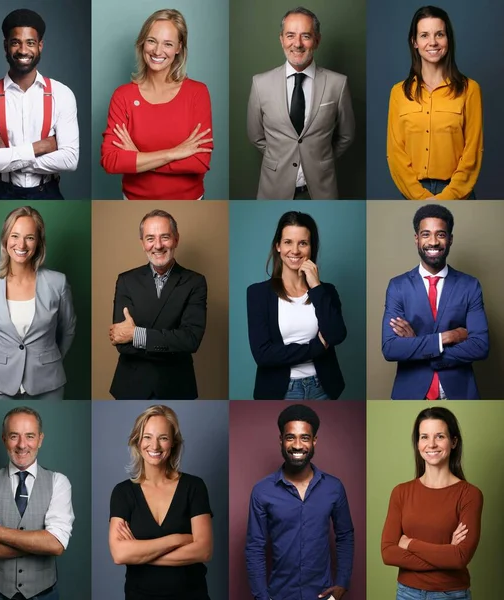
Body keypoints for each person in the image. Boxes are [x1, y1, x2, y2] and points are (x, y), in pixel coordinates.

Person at [100, 9, 213, 200]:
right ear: (142, 42)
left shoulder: (197, 93)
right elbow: (111, 161)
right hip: (134, 201)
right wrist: (174, 153)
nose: (157, 51)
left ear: (178, 48)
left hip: (189, 201)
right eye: (152, 41)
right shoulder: (123, 96)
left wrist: (138, 157)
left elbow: (199, 162)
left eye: (168, 44)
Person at [246, 404, 354, 600]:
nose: (297, 445)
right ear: (281, 440)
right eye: (290, 437)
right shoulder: (262, 491)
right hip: (279, 594)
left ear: (314, 441)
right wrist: (262, 596)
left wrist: (342, 583)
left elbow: (345, 535)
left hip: (322, 594)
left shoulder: (334, 487)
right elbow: (255, 547)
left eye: (304, 437)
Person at [382, 204, 489, 399]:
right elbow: (390, 348)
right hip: (410, 393)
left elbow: (480, 346)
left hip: (461, 392)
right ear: (416, 239)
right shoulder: (397, 286)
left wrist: (417, 347)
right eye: (426, 234)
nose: (433, 242)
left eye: (440, 234)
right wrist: (448, 337)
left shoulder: (470, 285)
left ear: (450, 239)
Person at [247, 6, 354, 200]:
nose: (297, 44)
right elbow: (256, 136)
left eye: (305, 36)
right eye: (290, 35)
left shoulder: (338, 84)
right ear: (281, 40)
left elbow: (346, 135)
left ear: (317, 40)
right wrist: (280, 156)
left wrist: (319, 158)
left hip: (322, 191)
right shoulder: (260, 83)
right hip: (273, 190)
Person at [0, 9, 79, 199]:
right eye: (15, 43)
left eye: (30, 43)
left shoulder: (62, 94)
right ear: (6, 46)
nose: (23, 50)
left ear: (40, 46)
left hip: (48, 192)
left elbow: (70, 160)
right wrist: (39, 147)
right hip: (4, 192)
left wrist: (6, 154)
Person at [109, 405, 213, 600]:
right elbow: (120, 554)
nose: (154, 446)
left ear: (173, 443)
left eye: (163, 438)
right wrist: (178, 539)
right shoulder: (122, 492)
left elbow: (204, 550)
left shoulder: (194, 486)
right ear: (137, 441)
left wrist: (141, 554)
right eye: (147, 437)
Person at [0, 406, 74, 600]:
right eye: (14, 436)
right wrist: (40, 544)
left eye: (30, 436)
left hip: (45, 594)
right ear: (4, 439)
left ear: (40, 439)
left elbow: (56, 544)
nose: (22, 445)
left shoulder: (59, 482)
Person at [381, 406, 483, 600]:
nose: (432, 444)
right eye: (424, 437)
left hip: (452, 595)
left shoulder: (470, 494)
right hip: (407, 593)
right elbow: (388, 553)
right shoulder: (401, 492)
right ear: (418, 443)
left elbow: (460, 557)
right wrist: (446, 554)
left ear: (453, 442)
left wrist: (409, 543)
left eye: (440, 436)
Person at [0, 206, 76, 400]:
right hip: (0, 386)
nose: (21, 244)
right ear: (5, 239)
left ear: (39, 242)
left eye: (30, 237)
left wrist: (48, 360)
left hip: (48, 385)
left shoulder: (58, 282)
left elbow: (68, 330)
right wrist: (5, 362)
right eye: (15, 236)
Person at [247, 211, 346, 400]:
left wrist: (316, 286)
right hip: (279, 390)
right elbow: (263, 355)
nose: (295, 250)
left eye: (303, 243)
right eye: (288, 242)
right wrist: (317, 347)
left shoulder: (326, 291)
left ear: (311, 247)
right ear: (277, 246)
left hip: (323, 387)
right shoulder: (257, 293)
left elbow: (337, 334)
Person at [387, 6, 483, 200]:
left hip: (459, 194)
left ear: (448, 40)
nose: (432, 42)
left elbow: (473, 150)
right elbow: (395, 153)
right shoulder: (398, 93)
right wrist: (420, 196)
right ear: (414, 42)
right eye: (424, 35)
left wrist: (448, 197)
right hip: (412, 193)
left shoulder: (470, 89)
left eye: (439, 34)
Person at [109, 209, 207, 399]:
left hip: (176, 386)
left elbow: (190, 340)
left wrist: (136, 334)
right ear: (142, 243)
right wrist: (170, 343)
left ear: (176, 239)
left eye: (165, 237)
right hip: (131, 385)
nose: (158, 246)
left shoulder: (195, 282)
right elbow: (122, 344)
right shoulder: (126, 280)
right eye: (150, 238)